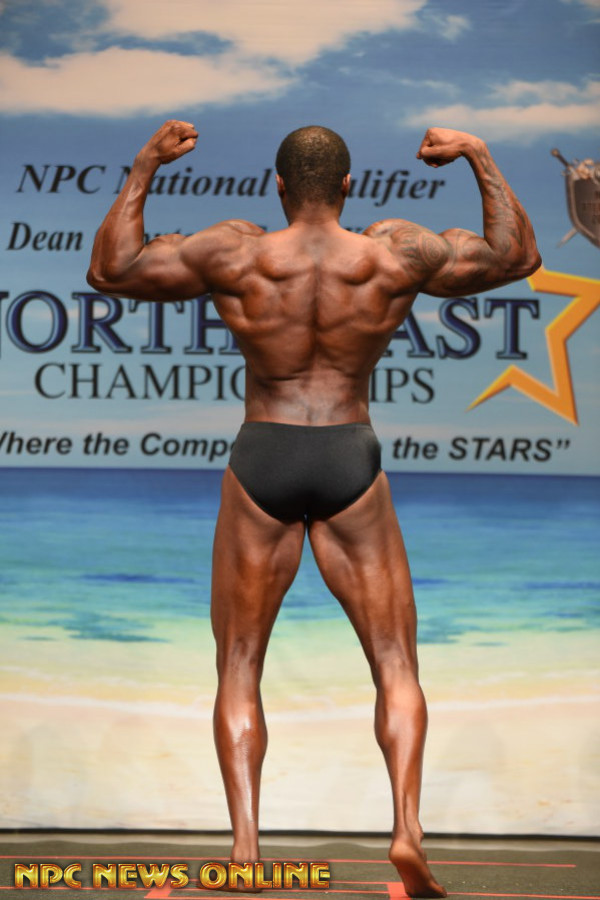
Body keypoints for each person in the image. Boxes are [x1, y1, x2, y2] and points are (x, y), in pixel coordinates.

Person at [87, 120, 540, 898]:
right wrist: (478, 154)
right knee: (395, 661)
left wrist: (144, 166)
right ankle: (406, 831)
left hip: (263, 454)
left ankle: (245, 854)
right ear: (349, 186)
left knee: (239, 663)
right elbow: (517, 255)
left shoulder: (236, 251)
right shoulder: (392, 252)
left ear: (277, 186)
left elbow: (111, 270)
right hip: (348, 455)